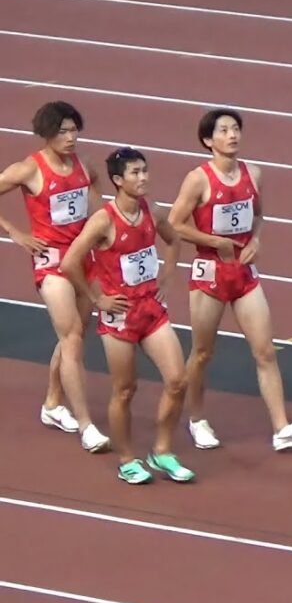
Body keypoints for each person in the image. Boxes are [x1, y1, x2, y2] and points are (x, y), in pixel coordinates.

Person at [167, 108, 292, 452]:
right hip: (210, 274)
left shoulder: (254, 174)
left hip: (245, 274)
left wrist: (255, 240)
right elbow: (174, 223)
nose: (232, 135)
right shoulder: (199, 179)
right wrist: (214, 242)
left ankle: (281, 428)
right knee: (203, 352)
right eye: (223, 130)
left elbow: (259, 215)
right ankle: (197, 418)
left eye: (236, 129)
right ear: (208, 141)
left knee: (265, 350)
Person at [60, 147, 194, 484]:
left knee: (178, 381)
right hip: (120, 317)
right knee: (125, 390)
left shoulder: (152, 211)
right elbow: (70, 262)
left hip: (151, 309)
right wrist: (96, 298)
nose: (143, 178)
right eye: (135, 173)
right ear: (118, 180)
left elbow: (173, 238)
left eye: (145, 171)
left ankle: (162, 452)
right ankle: (126, 459)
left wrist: (168, 273)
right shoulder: (103, 220)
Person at [0, 101, 110, 453]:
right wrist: (15, 233)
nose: (70, 137)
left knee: (74, 336)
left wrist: (105, 235)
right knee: (72, 337)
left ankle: (52, 404)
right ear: (47, 133)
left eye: (74, 130)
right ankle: (86, 425)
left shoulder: (84, 165)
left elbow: (94, 197)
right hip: (51, 263)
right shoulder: (28, 170)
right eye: (62, 131)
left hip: (83, 259)